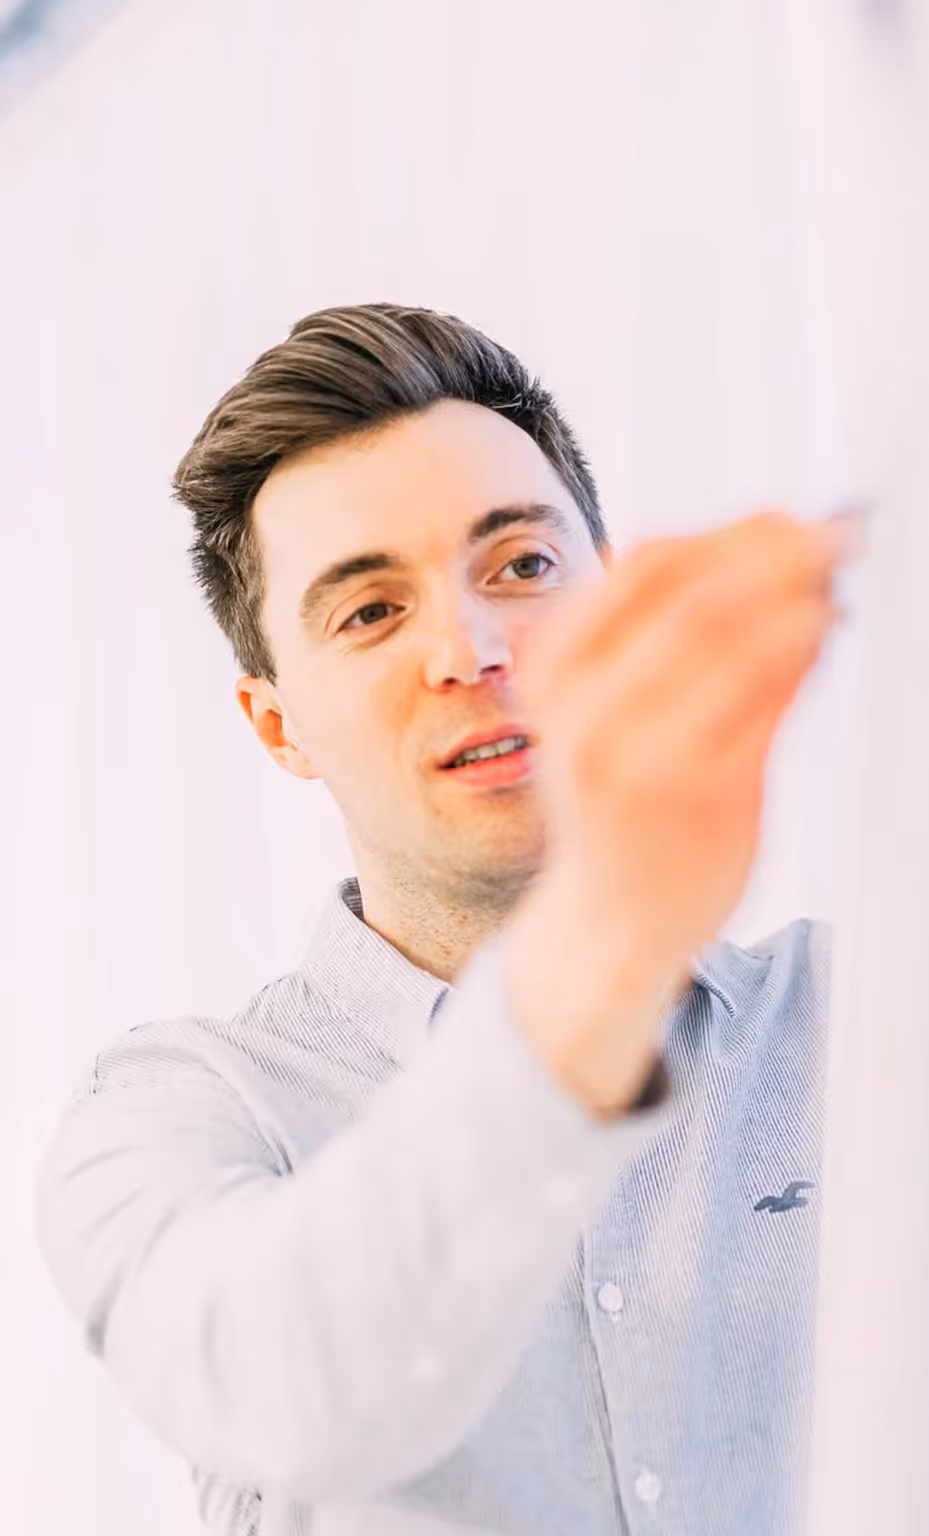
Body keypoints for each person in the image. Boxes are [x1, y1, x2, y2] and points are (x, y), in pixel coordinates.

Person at [34, 302, 860, 1536]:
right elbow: (292, 1388)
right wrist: (606, 945)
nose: (472, 649)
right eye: (369, 611)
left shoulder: (869, 1019)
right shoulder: (172, 1117)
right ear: (277, 726)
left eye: (521, 566)